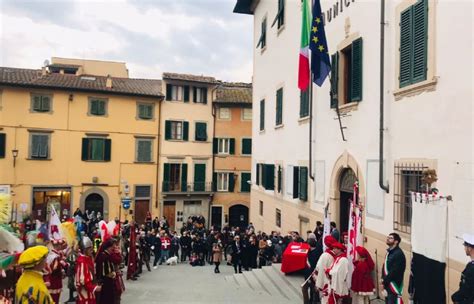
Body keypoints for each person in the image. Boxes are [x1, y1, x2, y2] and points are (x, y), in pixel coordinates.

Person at [96, 238, 123, 304]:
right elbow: (106, 273)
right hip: (106, 282)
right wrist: (115, 274)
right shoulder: (104, 256)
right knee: (107, 299)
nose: (113, 249)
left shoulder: (107, 255)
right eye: (112, 247)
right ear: (108, 247)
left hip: (108, 281)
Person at [381, 233, 406, 304]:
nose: (388, 238)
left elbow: (394, 271)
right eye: (388, 237)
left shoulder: (399, 254)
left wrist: (384, 282)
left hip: (393, 285)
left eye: (391, 238)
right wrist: (382, 280)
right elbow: (384, 267)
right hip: (387, 283)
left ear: (396, 241)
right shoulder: (389, 252)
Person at [76, 236, 101, 304]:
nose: (91, 250)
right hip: (85, 293)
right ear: (84, 250)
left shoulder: (87, 258)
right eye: (89, 249)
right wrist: (94, 288)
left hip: (89, 292)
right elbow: (83, 280)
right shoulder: (82, 261)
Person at [451, 233, 474, 304]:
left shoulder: (472, 268)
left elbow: (469, 293)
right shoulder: (470, 265)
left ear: (469, 248)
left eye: (465, 246)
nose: (464, 248)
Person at [315, 236, 337, 304]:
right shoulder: (335, 255)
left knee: (324, 300)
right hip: (332, 282)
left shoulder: (324, 255)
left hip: (324, 281)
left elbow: (318, 268)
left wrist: (318, 283)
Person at [302, 237, 323, 304]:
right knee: (311, 290)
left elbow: (312, 265)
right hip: (311, 274)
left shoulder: (314, 254)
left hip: (311, 275)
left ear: (309, 245)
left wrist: (310, 277)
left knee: (311, 290)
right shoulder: (315, 251)